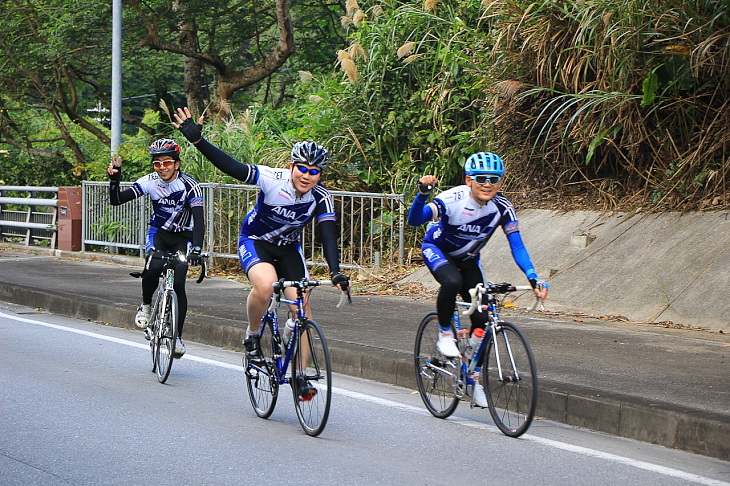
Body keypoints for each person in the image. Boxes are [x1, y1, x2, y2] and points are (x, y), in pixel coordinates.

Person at [172, 107, 349, 400]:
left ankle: (300, 376)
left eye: (314, 171)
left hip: (288, 249)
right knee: (266, 287)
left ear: (320, 174)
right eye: (302, 168)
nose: (307, 176)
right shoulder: (271, 178)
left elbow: (328, 234)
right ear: (292, 166)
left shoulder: (321, 197)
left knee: (302, 310)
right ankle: (253, 335)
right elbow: (232, 166)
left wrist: (335, 271)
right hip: (255, 242)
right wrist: (198, 142)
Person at [407, 151, 548, 407]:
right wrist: (422, 195)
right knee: (452, 282)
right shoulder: (452, 198)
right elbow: (414, 220)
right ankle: (445, 334)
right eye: (481, 178)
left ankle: (471, 375)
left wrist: (533, 277)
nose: (487, 184)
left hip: (469, 260)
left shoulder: (502, 208)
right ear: (469, 180)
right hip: (437, 250)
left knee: (483, 319)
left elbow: (517, 246)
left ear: (501, 183)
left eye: (494, 179)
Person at [107, 138, 206, 358]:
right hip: (159, 234)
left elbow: (199, 221)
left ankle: (177, 336)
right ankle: (146, 305)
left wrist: (196, 251)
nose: (162, 168)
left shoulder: (191, 186)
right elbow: (116, 201)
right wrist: (115, 180)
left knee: (178, 283)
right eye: (157, 164)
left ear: (177, 164)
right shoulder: (150, 181)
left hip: (184, 237)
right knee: (152, 267)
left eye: (167, 162)